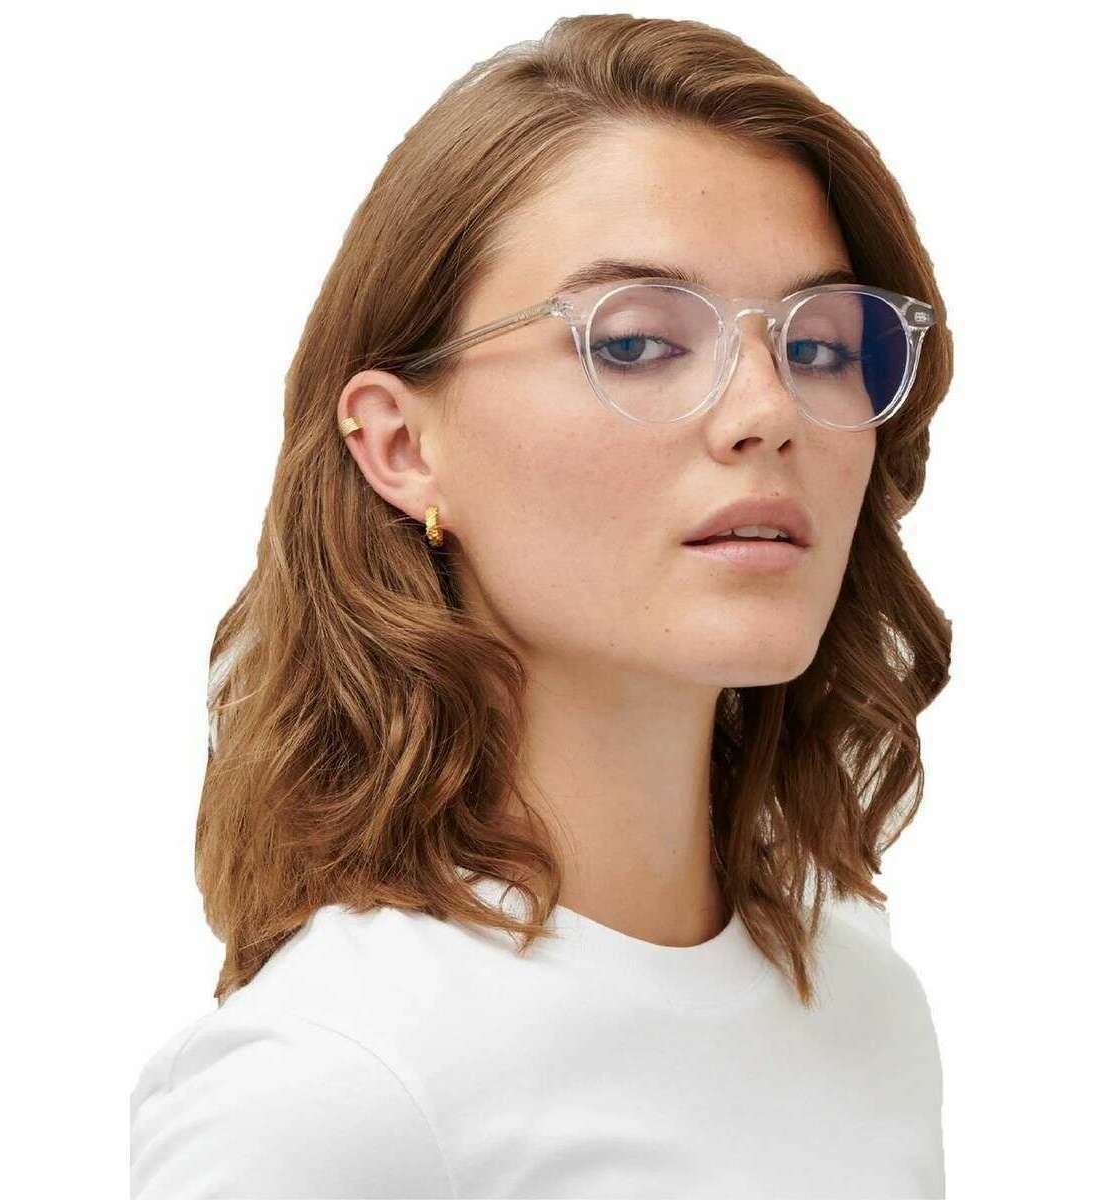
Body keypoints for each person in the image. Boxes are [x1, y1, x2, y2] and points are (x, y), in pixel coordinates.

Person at [131, 13, 954, 1199]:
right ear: (401, 446)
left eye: (821, 347)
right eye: (637, 343)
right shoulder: (335, 1089)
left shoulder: (863, 1005)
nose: (768, 411)